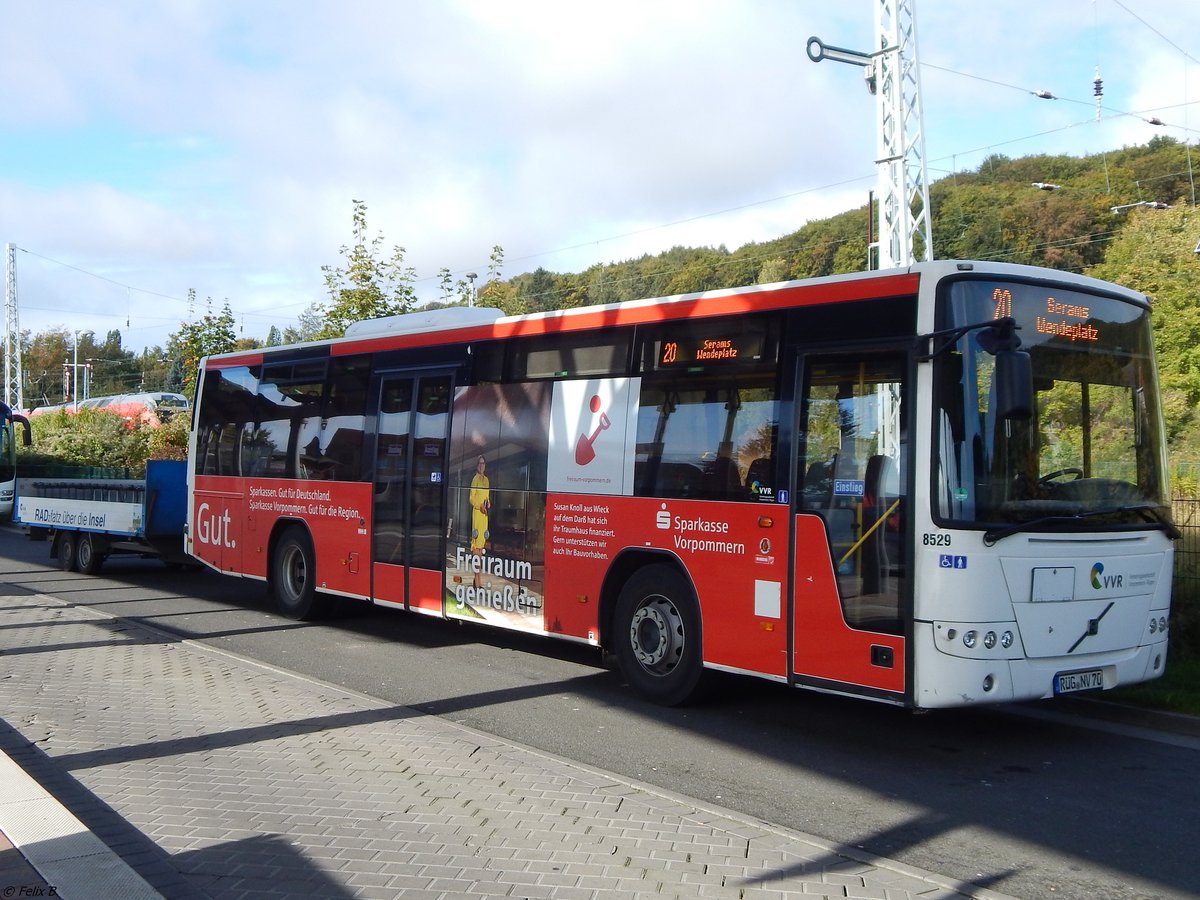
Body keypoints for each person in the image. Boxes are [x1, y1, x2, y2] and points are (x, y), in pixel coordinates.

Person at [469, 455, 491, 588]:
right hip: (478, 515)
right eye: (480, 464)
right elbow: (471, 498)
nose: (482, 466)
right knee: (476, 548)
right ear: (477, 466)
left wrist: (488, 503)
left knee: (481, 547)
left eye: (483, 463)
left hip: (485, 516)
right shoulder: (475, 479)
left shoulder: (487, 480)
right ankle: (477, 581)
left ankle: (477, 580)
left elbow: (486, 496)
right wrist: (480, 506)